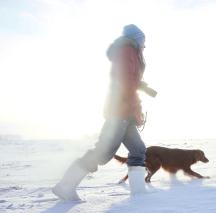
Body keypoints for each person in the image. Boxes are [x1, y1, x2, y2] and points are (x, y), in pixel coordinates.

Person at [53, 24, 148, 201]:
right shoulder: (127, 51)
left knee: (138, 149)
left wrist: (140, 87)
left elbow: (129, 80)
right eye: (143, 41)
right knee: (103, 152)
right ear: (136, 39)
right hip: (120, 111)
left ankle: (139, 192)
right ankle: (66, 185)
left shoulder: (130, 52)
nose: (144, 46)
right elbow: (124, 82)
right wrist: (135, 106)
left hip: (125, 112)